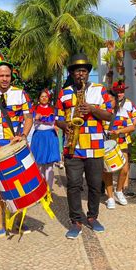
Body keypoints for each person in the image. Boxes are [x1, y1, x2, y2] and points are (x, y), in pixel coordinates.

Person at [55, 52, 113, 239]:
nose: (80, 74)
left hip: (95, 146)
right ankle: (76, 221)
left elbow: (110, 115)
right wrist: (66, 125)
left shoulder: (100, 90)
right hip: (73, 146)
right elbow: (57, 118)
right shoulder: (64, 93)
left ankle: (93, 217)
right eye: (76, 71)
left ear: (88, 73)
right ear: (72, 74)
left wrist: (93, 109)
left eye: (83, 71)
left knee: (95, 185)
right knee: (73, 185)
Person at [0, 56, 33, 242]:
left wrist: (23, 136)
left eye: (7, 75)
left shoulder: (21, 94)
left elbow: (28, 118)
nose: (4, 78)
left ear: (11, 77)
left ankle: (18, 222)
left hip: (14, 146)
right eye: (1, 75)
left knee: (18, 185)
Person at [102, 82, 136, 209]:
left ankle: (119, 190)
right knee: (107, 171)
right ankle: (110, 197)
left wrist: (119, 131)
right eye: (107, 100)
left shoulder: (123, 111)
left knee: (125, 169)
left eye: (111, 100)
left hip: (122, 142)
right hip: (106, 144)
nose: (109, 102)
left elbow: (132, 126)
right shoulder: (102, 113)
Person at [114, 81, 136, 196]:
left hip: (125, 138)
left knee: (126, 163)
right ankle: (103, 185)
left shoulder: (129, 104)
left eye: (122, 91)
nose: (120, 94)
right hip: (110, 137)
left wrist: (132, 125)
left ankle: (124, 187)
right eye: (118, 92)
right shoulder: (108, 102)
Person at [31, 89, 60, 190]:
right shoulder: (33, 109)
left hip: (50, 137)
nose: (44, 98)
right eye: (42, 96)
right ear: (39, 98)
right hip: (38, 137)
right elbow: (29, 120)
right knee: (39, 165)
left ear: (49, 98)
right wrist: (35, 118)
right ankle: (41, 189)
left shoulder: (53, 109)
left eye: (46, 96)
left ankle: (49, 189)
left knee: (49, 165)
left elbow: (55, 121)